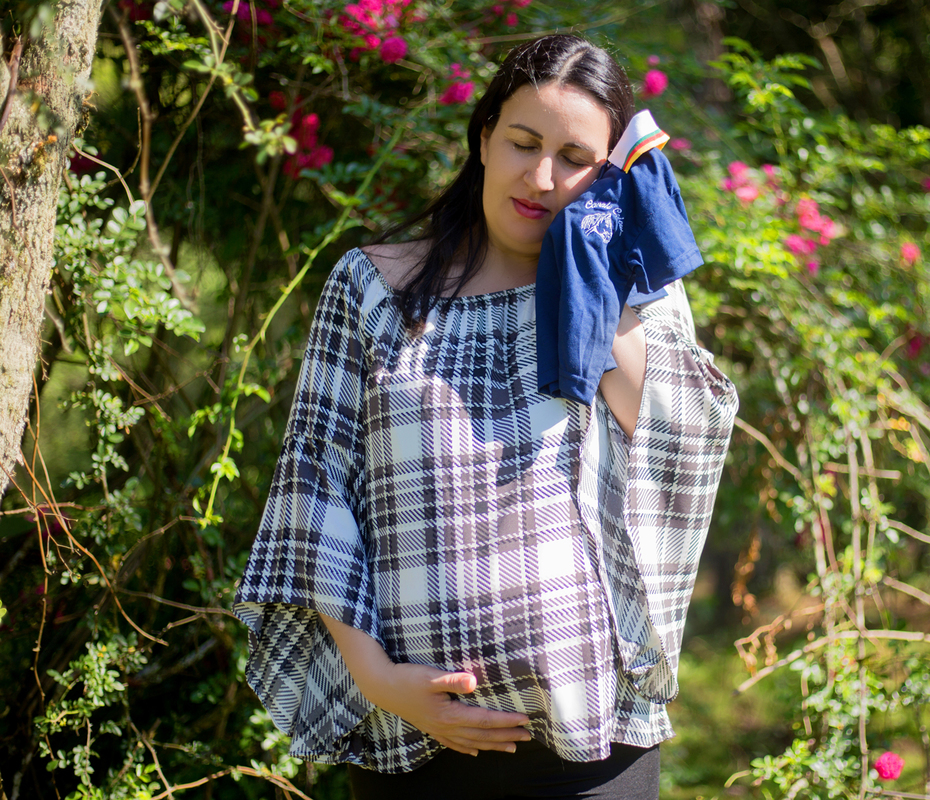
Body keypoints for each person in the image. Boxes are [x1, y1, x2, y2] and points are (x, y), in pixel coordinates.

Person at [232, 33, 737, 800]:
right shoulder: (373, 288)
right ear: (483, 138)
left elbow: (683, 438)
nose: (541, 177)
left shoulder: (636, 297)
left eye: (575, 159)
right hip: (420, 748)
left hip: (596, 750)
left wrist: (594, 269)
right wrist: (382, 682)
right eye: (523, 143)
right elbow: (316, 492)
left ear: (607, 175)